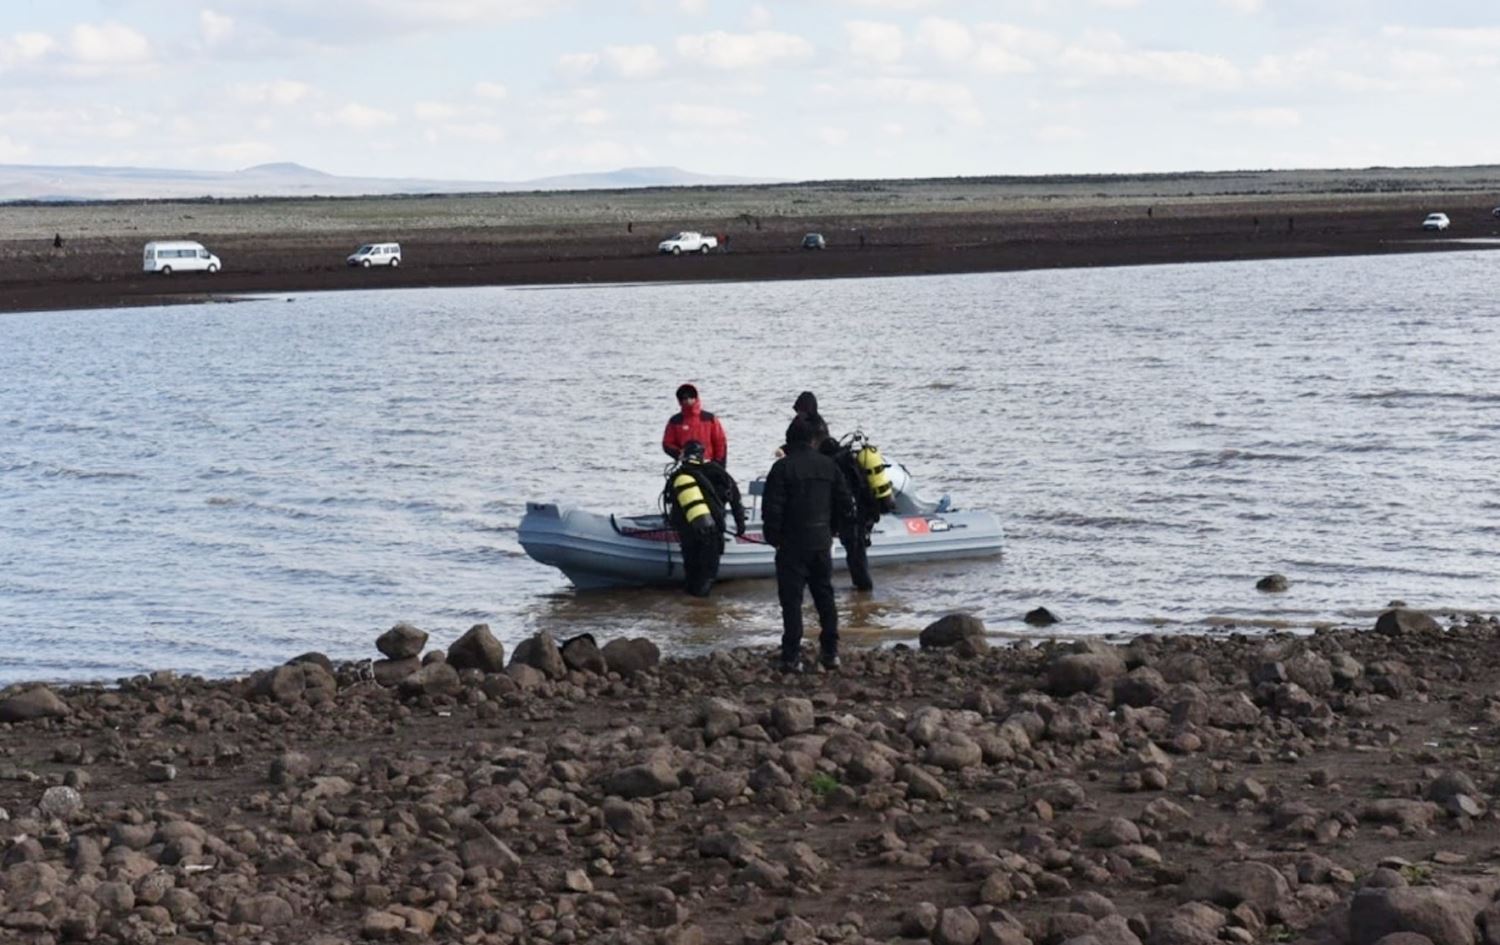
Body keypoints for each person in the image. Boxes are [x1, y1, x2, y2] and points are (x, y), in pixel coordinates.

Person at [763, 415, 855, 673]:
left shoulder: (782, 468)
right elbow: (845, 504)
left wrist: (775, 539)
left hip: (791, 545)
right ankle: (830, 652)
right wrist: (832, 530)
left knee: (791, 602)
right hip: (821, 542)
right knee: (824, 595)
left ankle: (792, 656)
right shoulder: (829, 466)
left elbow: (772, 510)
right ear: (815, 439)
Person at [664, 440, 746, 597]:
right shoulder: (717, 471)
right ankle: (703, 612)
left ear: (684, 454)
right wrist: (740, 525)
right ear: (702, 455)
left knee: (691, 573)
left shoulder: (678, 476)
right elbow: (735, 497)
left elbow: (670, 503)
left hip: (688, 532)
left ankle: (691, 610)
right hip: (713, 531)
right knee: (706, 576)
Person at [662, 383, 727, 465]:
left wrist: (719, 464)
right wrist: (680, 454)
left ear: (696, 398)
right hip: (687, 464)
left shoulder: (709, 418)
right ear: (680, 401)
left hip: (709, 464)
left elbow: (720, 442)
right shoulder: (675, 421)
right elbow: (667, 443)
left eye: (691, 397)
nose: (688, 400)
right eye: (684, 398)